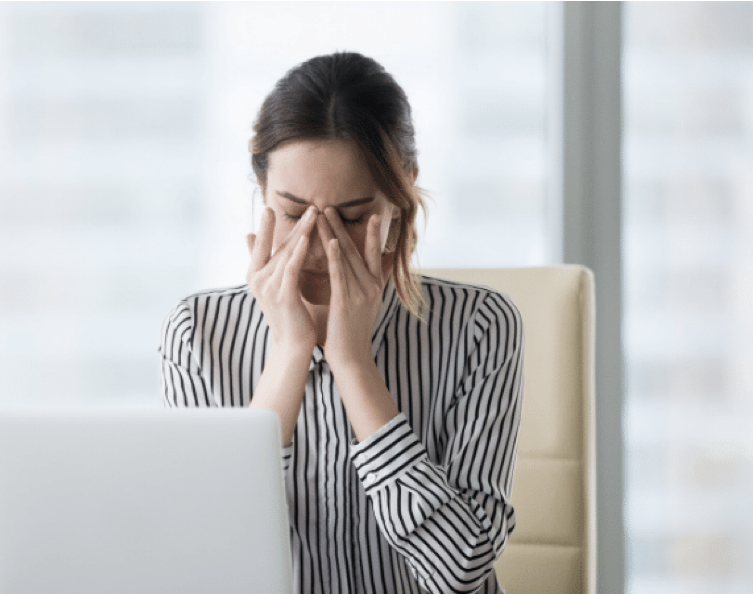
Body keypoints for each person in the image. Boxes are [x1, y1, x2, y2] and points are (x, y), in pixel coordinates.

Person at [159, 52, 524, 594]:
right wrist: (288, 356)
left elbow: (461, 573)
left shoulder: (479, 328)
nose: (319, 244)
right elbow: (208, 565)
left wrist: (353, 364)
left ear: (400, 198)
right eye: (291, 212)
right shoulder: (197, 332)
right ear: (262, 192)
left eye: (351, 218)